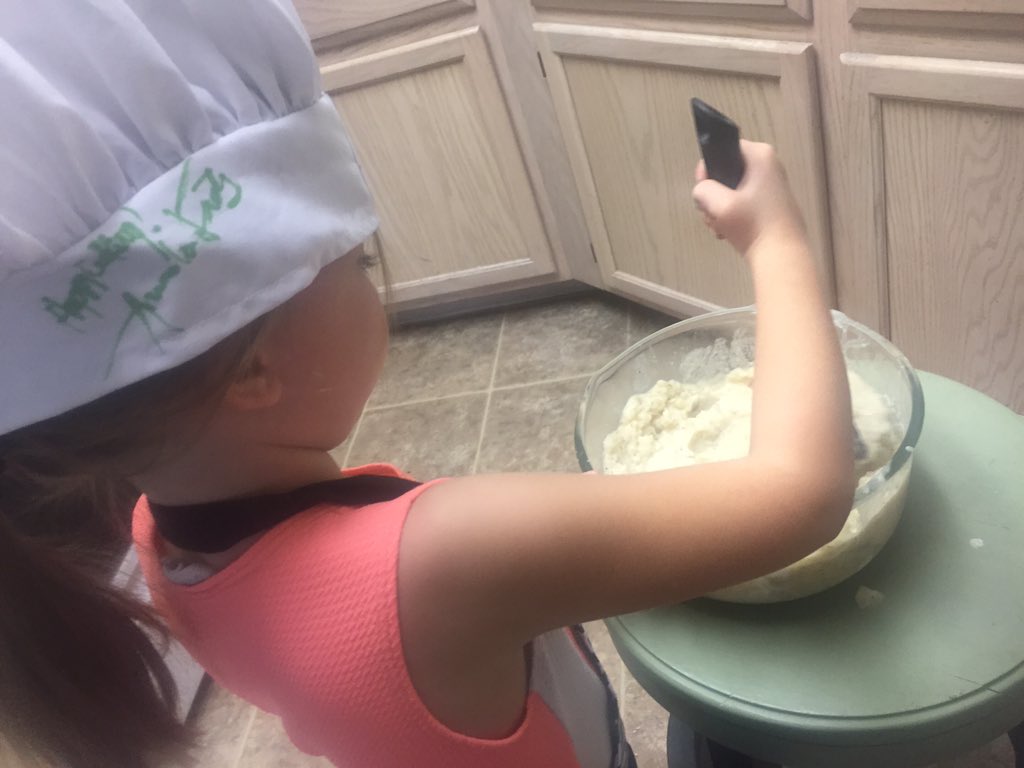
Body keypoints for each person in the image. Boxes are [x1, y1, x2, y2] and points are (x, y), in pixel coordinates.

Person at [0, 2, 856, 767]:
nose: (378, 282)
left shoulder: (160, 538)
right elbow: (800, 493)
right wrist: (776, 241)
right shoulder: (441, 560)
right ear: (253, 366)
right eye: (356, 260)